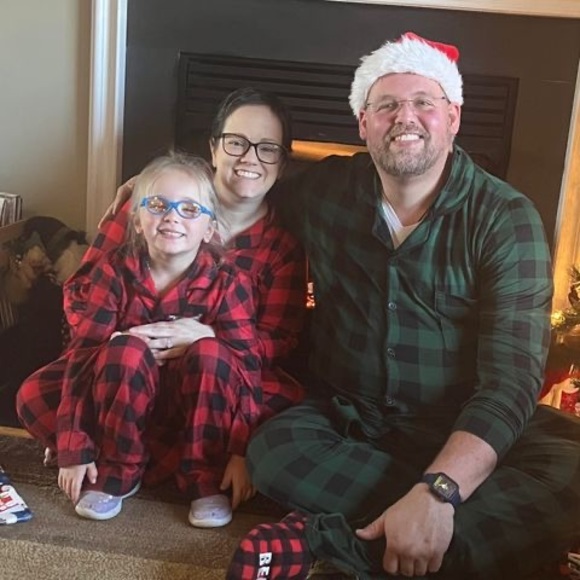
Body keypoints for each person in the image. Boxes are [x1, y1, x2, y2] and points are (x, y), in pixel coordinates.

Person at [226, 32, 580, 579]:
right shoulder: (324, 192)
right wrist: (152, 191)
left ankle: (329, 540)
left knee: (572, 472)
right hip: (348, 420)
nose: (405, 117)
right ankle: (446, 543)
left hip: (460, 421)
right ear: (363, 123)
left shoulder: (505, 218)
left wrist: (440, 489)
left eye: (423, 102)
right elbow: (240, 196)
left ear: (453, 117)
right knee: (273, 450)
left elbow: (510, 383)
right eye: (386, 104)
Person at [18, 88, 306, 523]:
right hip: (123, 367)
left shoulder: (279, 247)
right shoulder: (148, 208)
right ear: (214, 148)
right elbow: (81, 300)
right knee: (36, 394)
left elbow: (273, 343)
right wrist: (120, 339)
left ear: (282, 163)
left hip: (214, 376)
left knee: (285, 414)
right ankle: (125, 459)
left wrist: (210, 336)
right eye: (236, 142)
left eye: (267, 148)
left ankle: (157, 458)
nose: (250, 157)